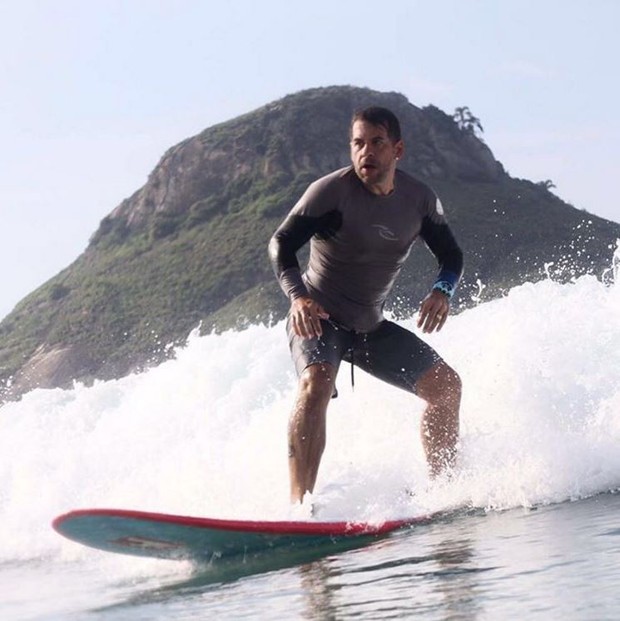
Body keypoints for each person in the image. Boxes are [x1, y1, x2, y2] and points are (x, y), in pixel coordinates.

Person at [268, 106, 463, 506]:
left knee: (446, 387)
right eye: (358, 143)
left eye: (376, 142)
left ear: (398, 149)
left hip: (369, 328)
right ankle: (298, 507)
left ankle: (442, 492)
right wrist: (298, 298)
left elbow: (452, 256)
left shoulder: (418, 200)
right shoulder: (331, 192)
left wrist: (442, 290)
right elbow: (281, 246)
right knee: (316, 382)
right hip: (318, 318)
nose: (365, 152)